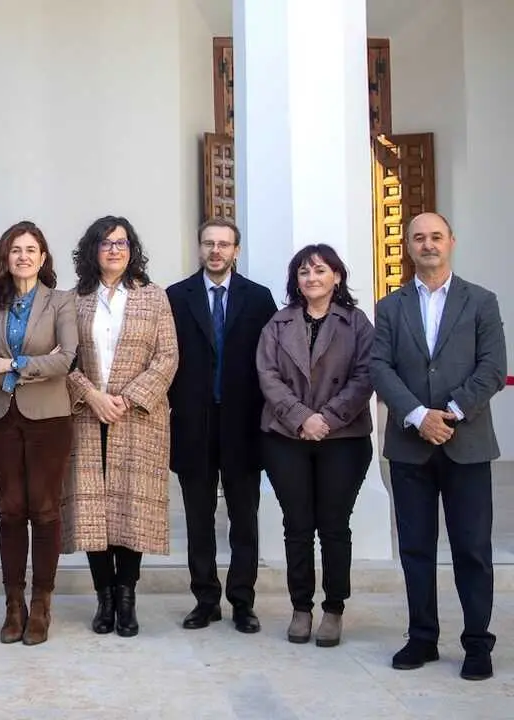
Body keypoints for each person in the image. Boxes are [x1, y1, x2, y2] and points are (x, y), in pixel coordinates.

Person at [370, 212, 506, 681]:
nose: (427, 245)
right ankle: (422, 637)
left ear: (452, 241)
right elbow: (380, 368)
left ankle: (476, 643)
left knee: (472, 548)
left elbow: (492, 367)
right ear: (407, 246)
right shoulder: (390, 307)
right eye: (418, 238)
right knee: (415, 547)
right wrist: (417, 416)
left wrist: (448, 411)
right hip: (411, 447)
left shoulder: (481, 301)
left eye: (435, 237)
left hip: (466, 444)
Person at [61, 216, 177, 638]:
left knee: (131, 507)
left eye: (122, 243)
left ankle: (126, 598)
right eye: (106, 243)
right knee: (93, 510)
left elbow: (167, 357)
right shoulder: (73, 300)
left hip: (138, 417)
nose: (114, 250)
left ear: (133, 250)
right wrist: (91, 395)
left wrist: (127, 398)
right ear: (92, 250)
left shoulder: (153, 298)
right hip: (88, 415)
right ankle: (103, 598)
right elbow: (64, 358)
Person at [256, 244, 374, 648]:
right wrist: (302, 417)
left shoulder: (356, 323)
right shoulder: (278, 322)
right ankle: (301, 607)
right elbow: (267, 376)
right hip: (286, 437)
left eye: (320, 270)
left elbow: (365, 375)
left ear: (337, 277)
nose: (312, 278)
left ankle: (334, 609)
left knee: (335, 526)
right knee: (298, 526)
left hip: (343, 437)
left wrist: (326, 418)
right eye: (304, 272)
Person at [166, 218, 277, 633]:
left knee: (244, 518)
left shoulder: (259, 299)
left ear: (236, 251)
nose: (216, 251)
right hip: (193, 422)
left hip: (244, 423)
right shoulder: (176, 297)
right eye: (209, 243)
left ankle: (243, 602)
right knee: (199, 517)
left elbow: (269, 362)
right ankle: (205, 599)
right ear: (199, 248)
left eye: (224, 244)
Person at [0, 220, 77, 646]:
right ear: (5, 257)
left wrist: (10, 365)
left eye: (31, 249)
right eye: (16, 250)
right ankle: (13, 605)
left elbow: (66, 359)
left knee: (45, 509)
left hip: (50, 419)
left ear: (43, 257)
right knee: (11, 509)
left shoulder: (61, 303)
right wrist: (32, 363)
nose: (24, 256)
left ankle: (42, 603)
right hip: (1, 419)